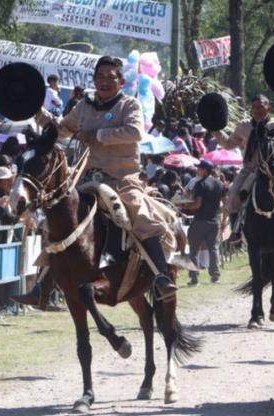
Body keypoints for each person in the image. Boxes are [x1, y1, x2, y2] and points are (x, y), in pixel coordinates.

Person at [20, 55, 177, 304]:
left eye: (110, 77)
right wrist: (37, 112)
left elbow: (135, 132)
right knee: (58, 218)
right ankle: (43, 284)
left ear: (121, 81)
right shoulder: (84, 105)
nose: (105, 81)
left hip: (122, 179)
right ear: (93, 80)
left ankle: (161, 276)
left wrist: (98, 135)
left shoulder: (130, 105)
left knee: (141, 214)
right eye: (100, 77)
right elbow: (62, 129)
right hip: (85, 179)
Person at [210, 93, 274, 244]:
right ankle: (237, 231)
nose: (257, 110)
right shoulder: (243, 126)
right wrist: (215, 129)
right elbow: (229, 144)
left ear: (269, 107)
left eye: (261, 106)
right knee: (233, 195)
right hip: (250, 169)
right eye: (254, 107)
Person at [181, 160, 225, 286]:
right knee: (213, 248)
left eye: (199, 168)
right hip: (214, 220)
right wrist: (223, 219)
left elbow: (198, 204)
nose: (197, 170)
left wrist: (184, 207)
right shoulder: (219, 183)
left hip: (200, 220)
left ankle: (194, 278)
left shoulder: (200, 184)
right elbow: (224, 202)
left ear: (204, 170)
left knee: (194, 250)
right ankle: (215, 275)